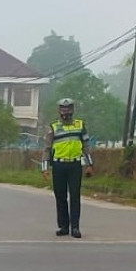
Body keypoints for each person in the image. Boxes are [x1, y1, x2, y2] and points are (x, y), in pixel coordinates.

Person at [41, 98, 93, 238]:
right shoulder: (53, 127)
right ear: (59, 111)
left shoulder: (80, 125)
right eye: (63, 109)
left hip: (75, 165)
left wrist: (89, 165)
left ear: (73, 110)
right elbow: (47, 149)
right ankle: (63, 226)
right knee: (60, 196)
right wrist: (45, 168)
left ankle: (75, 227)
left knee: (75, 196)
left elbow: (86, 146)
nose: (66, 113)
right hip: (59, 165)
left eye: (68, 109)